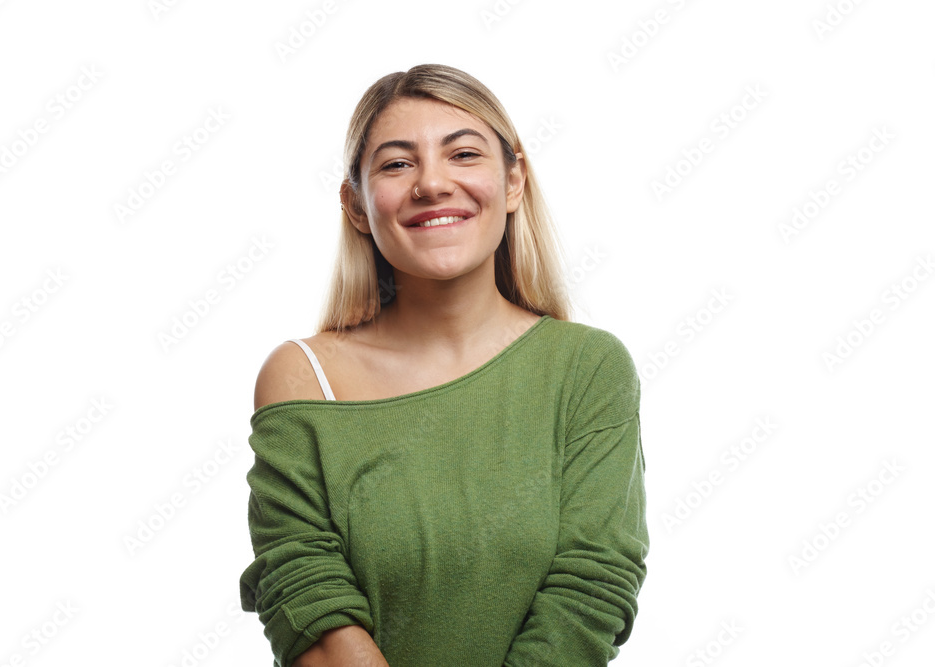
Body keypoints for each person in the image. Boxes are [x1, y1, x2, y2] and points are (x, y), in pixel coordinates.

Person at [238, 63, 648, 667]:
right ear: (355, 205)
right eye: (398, 164)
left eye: (463, 154)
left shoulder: (587, 369)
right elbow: (302, 593)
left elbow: (591, 591)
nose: (432, 184)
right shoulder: (303, 378)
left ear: (513, 183)